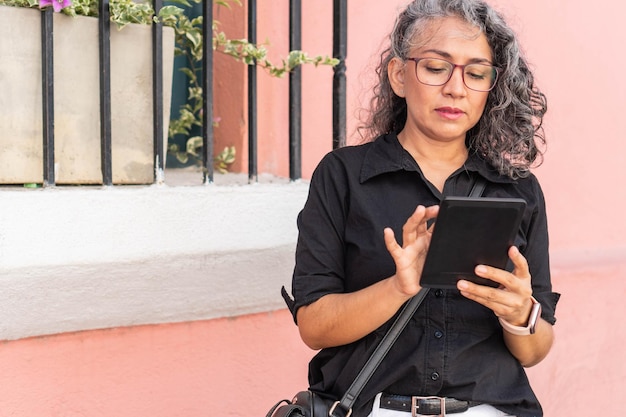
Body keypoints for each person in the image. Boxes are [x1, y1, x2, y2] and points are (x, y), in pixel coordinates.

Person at [285, 1, 560, 416]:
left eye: (476, 72)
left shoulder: (518, 190)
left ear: (492, 85)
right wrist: (398, 286)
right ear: (399, 75)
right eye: (436, 67)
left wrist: (520, 314)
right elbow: (314, 324)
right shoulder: (343, 176)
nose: (456, 88)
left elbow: (535, 350)